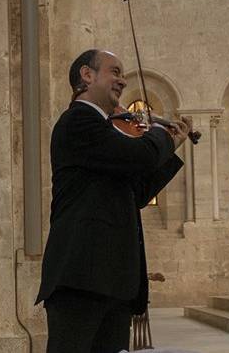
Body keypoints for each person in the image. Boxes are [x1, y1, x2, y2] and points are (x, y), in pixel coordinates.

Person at [35, 49, 192, 353]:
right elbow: (140, 156)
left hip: (111, 279)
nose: (122, 80)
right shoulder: (79, 121)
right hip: (82, 277)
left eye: (122, 74)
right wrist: (161, 133)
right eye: (115, 72)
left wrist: (172, 147)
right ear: (87, 75)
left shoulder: (108, 131)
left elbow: (138, 192)